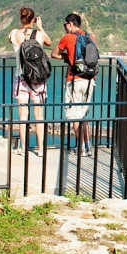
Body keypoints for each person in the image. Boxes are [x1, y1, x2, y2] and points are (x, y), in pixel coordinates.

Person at [51, 12, 96, 156]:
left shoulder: (67, 37)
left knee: (75, 115)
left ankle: (81, 147)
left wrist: (67, 56)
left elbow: (54, 54)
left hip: (75, 80)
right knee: (84, 115)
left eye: (65, 25)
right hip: (90, 80)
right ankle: (88, 146)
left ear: (70, 23)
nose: (64, 28)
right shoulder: (90, 37)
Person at [8, 7, 52, 156]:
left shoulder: (14, 34)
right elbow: (49, 42)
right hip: (38, 80)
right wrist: (40, 27)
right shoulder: (39, 34)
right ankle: (40, 149)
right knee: (39, 115)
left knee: (22, 115)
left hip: (21, 78)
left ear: (21, 18)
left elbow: (11, 41)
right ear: (33, 19)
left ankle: (23, 148)